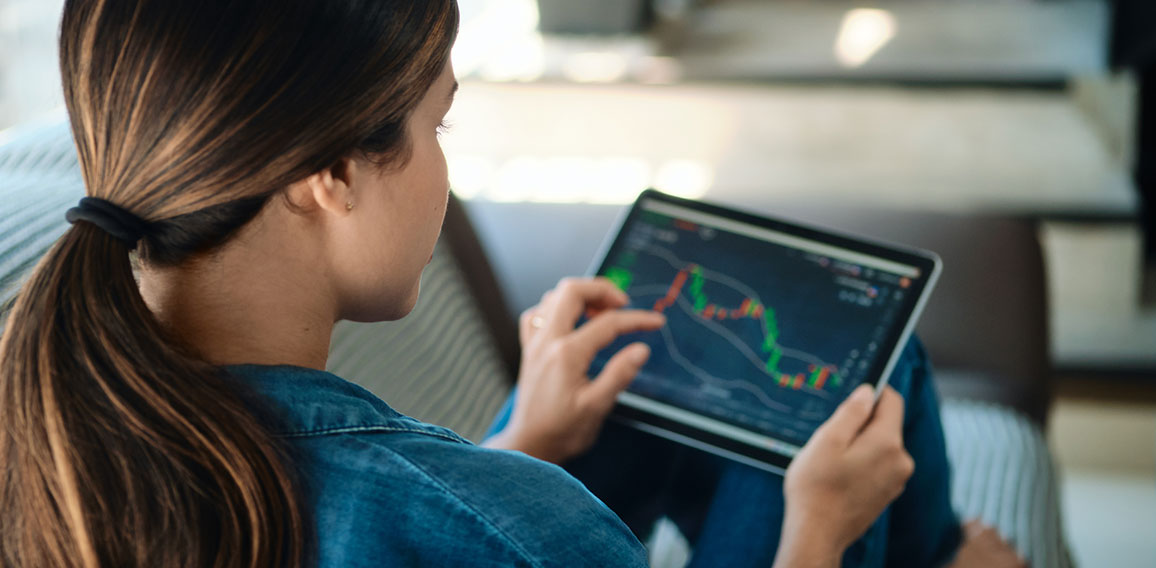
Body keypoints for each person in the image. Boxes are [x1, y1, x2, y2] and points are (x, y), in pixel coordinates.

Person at [0, 1, 1022, 566]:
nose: (445, 167)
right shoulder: (516, 525)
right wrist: (817, 535)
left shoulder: (47, 430)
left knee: (657, 376)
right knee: (859, 384)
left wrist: (522, 438)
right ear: (332, 175)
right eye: (436, 124)